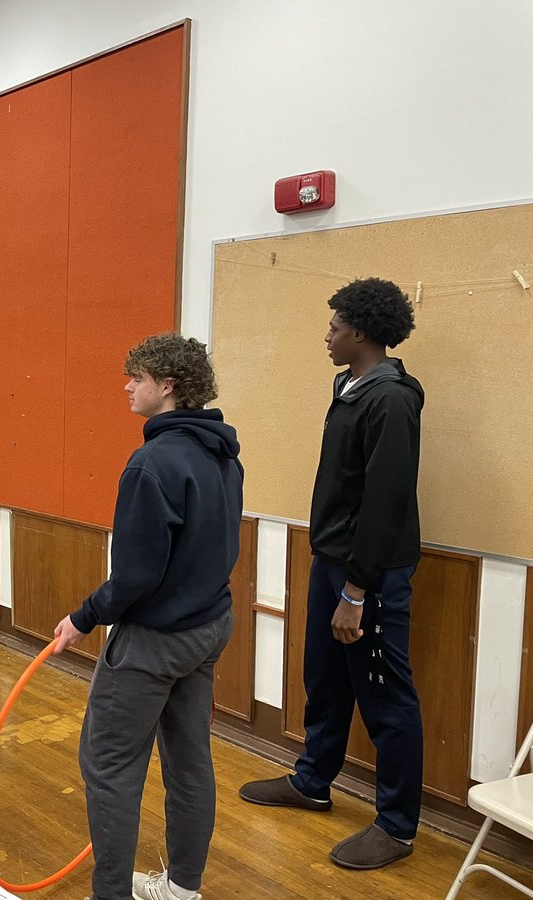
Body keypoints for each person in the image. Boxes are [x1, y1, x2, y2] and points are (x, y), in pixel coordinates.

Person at [239, 278, 423, 871]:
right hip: (333, 565)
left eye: (334, 327)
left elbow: (386, 501)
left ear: (360, 333)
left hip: (369, 576)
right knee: (325, 678)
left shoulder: (391, 398)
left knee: (387, 700)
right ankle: (313, 780)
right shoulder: (348, 385)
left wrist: (357, 591)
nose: (327, 337)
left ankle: (396, 827)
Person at [53, 334, 243, 900]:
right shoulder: (222, 451)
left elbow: (136, 577)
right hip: (208, 630)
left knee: (109, 767)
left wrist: (84, 617)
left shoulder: (152, 463)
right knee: (189, 761)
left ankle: (108, 895)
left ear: (168, 386)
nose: (127, 387)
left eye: (136, 377)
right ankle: (184, 889)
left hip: (157, 641)